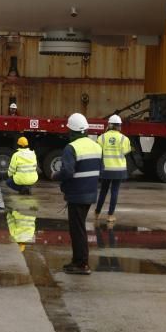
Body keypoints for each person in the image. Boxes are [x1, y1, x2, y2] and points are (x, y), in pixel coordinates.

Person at [52, 113, 102, 275]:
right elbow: (99, 170)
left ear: (72, 131)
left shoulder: (71, 147)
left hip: (77, 194)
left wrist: (55, 176)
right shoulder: (96, 146)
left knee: (77, 230)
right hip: (90, 194)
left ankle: (81, 263)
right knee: (78, 228)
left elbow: (67, 171)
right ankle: (77, 260)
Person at [95, 114, 131, 223]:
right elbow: (126, 151)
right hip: (118, 170)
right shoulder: (124, 139)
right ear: (119, 126)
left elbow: (98, 151)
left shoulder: (101, 137)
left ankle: (97, 213)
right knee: (114, 191)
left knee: (103, 191)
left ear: (109, 125)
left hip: (105, 169)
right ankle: (110, 216)